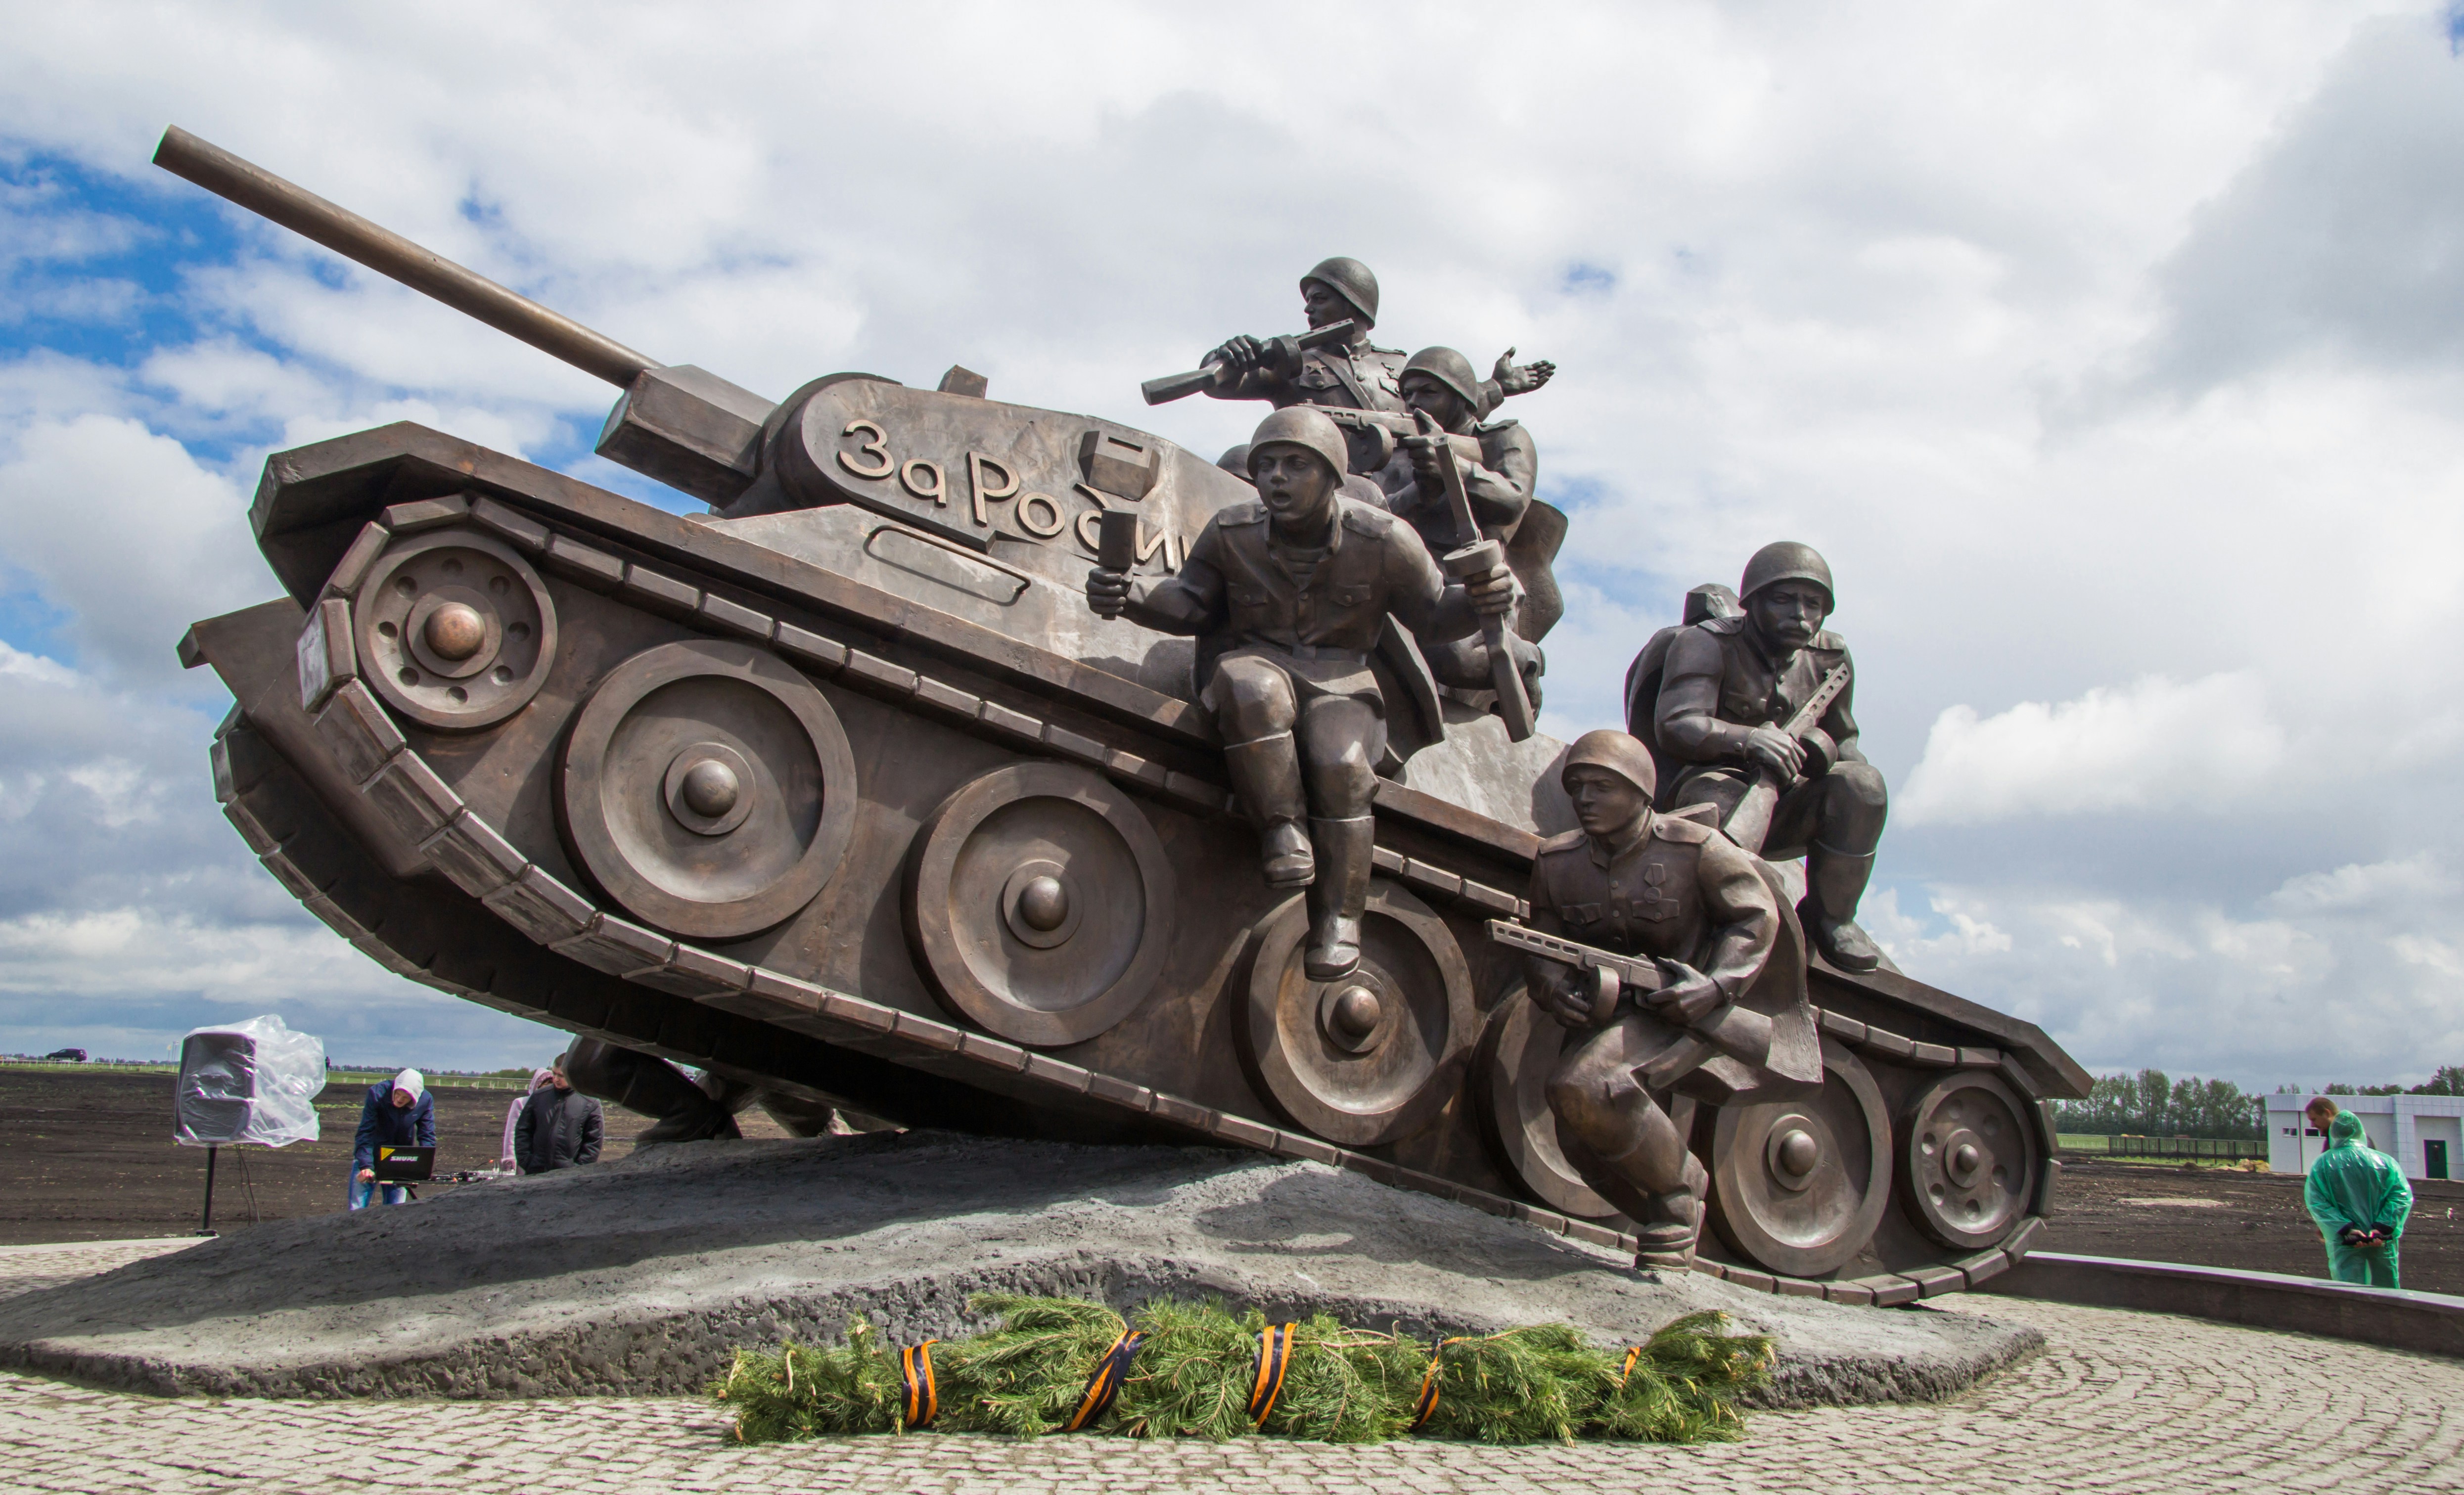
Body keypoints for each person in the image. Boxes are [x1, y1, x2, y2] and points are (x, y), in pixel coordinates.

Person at [1086, 405, 1515, 979]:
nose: (1276, 478)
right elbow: (1191, 599)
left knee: (1339, 763)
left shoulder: (1386, 539)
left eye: (1294, 465)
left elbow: (1435, 616)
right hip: (1255, 658)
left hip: (1343, 678)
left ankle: (1339, 918)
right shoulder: (1231, 530)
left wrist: (1484, 599)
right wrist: (1131, 595)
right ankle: (1283, 831)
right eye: (1266, 466)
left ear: (1333, 476)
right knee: (1250, 689)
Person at [1524, 731, 1791, 1269]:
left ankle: (1678, 1196)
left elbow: (1754, 916)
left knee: (1586, 1088)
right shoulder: (1556, 862)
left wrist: (1714, 987)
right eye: (1576, 786)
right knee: (1577, 1132)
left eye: (1601, 786)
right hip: (1612, 1011)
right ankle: (1665, 1197)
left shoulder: (1695, 849)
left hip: (1685, 1011)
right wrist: (1553, 989)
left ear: (1641, 792)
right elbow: (1541, 942)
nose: (1584, 799)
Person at [1640, 542, 1889, 972]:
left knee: (1864, 785)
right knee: (1715, 808)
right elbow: (1678, 724)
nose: (1800, 615)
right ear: (1751, 602)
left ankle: (1832, 918)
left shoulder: (1832, 658)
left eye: (1813, 604)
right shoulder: (1706, 643)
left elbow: (1846, 739)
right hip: (1711, 783)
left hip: (1790, 796)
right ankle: (1709, 917)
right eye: (1783, 600)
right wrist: (1749, 740)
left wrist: (1828, 759)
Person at [1200, 257, 1553, 472]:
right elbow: (1216, 383)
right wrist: (1227, 358)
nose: (1309, 310)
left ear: (1355, 303)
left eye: (1320, 299)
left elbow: (1451, 407)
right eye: (1308, 302)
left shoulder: (1402, 365)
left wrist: (1499, 386)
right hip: (1319, 474)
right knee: (1238, 460)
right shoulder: (1290, 364)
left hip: (1401, 473)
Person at [1372, 345, 1551, 702]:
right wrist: (1420, 492)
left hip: (1476, 577)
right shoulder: (1400, 452)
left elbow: (1513, 499)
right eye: (1408, 394)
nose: (1414, 402)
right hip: (1407, 574)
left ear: (1461, 397)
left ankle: (1527, 663)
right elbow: (1378, 511)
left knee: (1453, 659)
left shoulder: (1503, 439)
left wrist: (1455, 467)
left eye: (1428, 392)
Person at [2303, 1098, 2412, 1288]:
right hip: (2380, 1238)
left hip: (2347, 1238)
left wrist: (2343, 1228)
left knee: (2349, 1291)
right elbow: (2400, 1196)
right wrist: (2383, 1228)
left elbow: (2318, 1202)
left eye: (2314, 1119)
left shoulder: (2323, 1163)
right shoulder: (2385, 1162)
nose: (2313, 1125)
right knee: (2387, 1291)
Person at [350, 1068, 434, 1209]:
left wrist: (422, 1167)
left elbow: (427, 1135)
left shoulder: (425, 1101)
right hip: (371, 1153)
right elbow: (365, 1132)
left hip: (400, 1161)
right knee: (357, 1209)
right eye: (398, 1094)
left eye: (405, 1098)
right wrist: (365, 1166)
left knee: (396, 1211)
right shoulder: (377, 1094)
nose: (399, 1099)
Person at [513, 1054, 605, 1174]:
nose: (556, 1079)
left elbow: (594, 1141)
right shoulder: (539, 1096)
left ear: (573, 1074)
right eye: (554, 1073)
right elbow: (523, 1130)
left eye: (561, 1075)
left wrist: (580, 1168)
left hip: (570, 1176)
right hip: (536, 1171)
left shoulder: (590, 1103)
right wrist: (527, 1162)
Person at [498, 1067, 554, 1170]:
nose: (549, 1087)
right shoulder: (522, 1103)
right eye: (546, 1083)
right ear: (537, 1085)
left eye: (552, 1082)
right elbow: (512, 1133)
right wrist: (510, 1159)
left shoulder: (556, 1105)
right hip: (526, 1157)